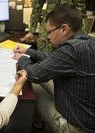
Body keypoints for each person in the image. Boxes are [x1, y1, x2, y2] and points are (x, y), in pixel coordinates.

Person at [14, 3, 95, 133]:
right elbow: (53, 60)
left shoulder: (70, 50)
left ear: (64, 29)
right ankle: (39, 123)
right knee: (40, 85)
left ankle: (41, 125)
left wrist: (22, 57)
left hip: (77, 126)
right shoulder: (87, 41)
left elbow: (34, 74)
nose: (47, 36)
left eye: (49, 32)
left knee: (33, 88)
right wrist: (29, 51)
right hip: (86, 112)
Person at [20, 0, 88, 53]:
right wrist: (32, 30)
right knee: (45, 54)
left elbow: (81, 8)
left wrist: (83, 34)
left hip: (71, 23)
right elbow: (37, 7)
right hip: (50, 22)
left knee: (70, 54)